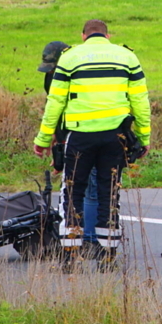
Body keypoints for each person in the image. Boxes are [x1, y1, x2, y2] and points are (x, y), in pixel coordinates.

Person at [32, 20, 151, 270]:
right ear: (108, 35)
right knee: (110, 195)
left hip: (79, 136)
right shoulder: (127, 56)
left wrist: (43, 139)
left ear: (83, 35)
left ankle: (70, 258)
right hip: (114, 137)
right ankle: (108, 258)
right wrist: (143, 137)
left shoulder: (70, 57)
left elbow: (55, 102)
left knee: (71, 193)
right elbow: (140, 100)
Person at [38, 41, 98, 245]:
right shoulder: (51, 78)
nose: (53, 72)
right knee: (81, 190)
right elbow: (54, 110)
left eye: (55, 67)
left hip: (84, 134)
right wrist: (56, 146)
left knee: (90, 188)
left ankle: (87, 236)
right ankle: (84, 236)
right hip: (71, 137)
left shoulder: (79, 75)